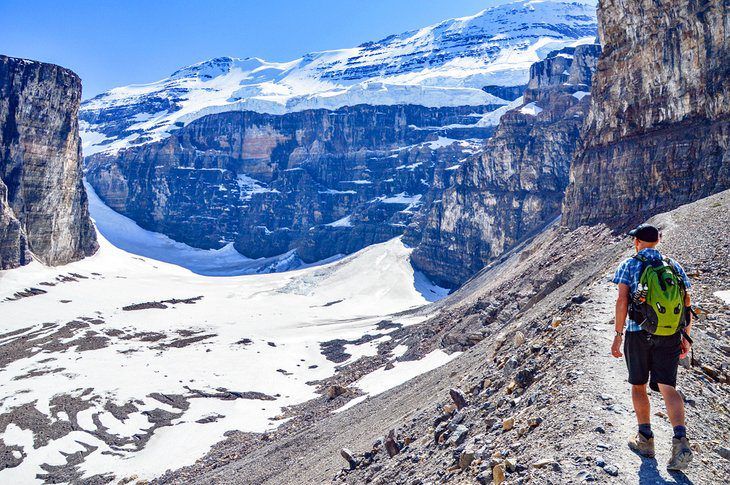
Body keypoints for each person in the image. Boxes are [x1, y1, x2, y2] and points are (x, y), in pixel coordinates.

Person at [610, 223, 693, 470]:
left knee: (638, 385)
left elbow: (622, 300)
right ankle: (681, 441)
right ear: (658, 240)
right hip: (669, 334)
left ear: (637, 242)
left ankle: (645, 439)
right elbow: (686, 301)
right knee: (669, 387)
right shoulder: (673, 266)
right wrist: (685, 337)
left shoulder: (629, 264)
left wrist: (617, 334)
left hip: (638, 333)